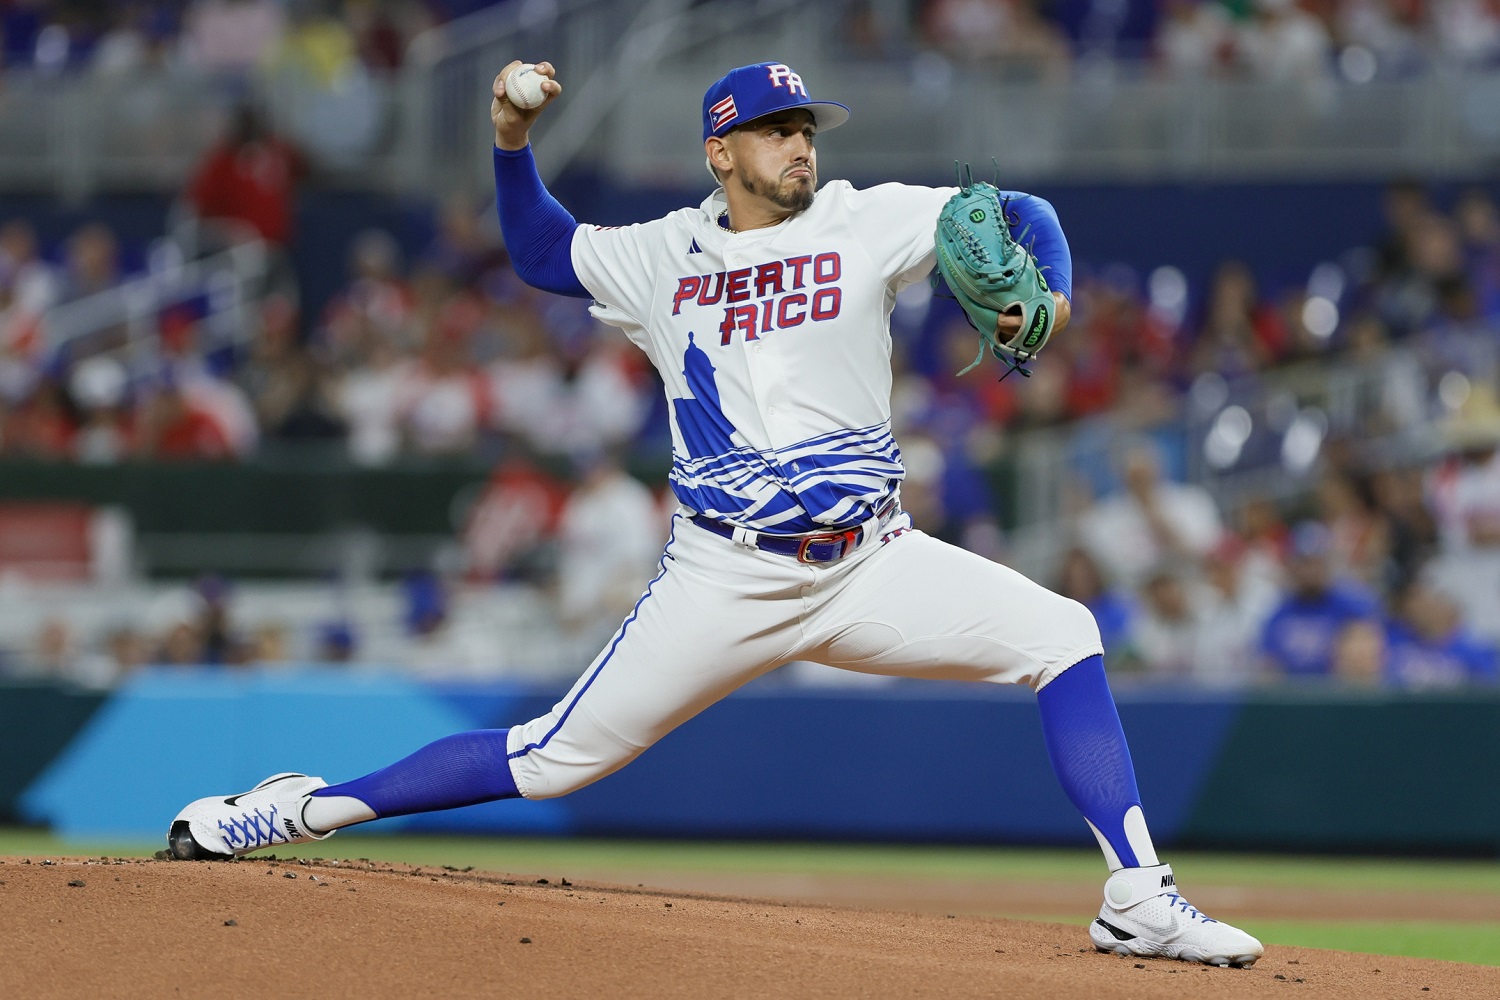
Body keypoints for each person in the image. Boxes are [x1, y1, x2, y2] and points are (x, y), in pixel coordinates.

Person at [165, 59, 1263, 968]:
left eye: (806, 127)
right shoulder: (661, 255)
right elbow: (544, 249)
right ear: (719, 152)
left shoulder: (865, 220)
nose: (800, 145)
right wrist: (509, 140)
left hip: (871, 560)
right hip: (723, 575)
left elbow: (1016, 212)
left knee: (1063, 633)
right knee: (549, 757)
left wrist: (1054, 284)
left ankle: (1136, 895)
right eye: (776, 130)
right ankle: (296, 809)